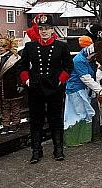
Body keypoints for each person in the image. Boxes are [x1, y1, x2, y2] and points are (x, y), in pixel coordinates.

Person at [18, 14, 73, 164]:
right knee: (36, 120)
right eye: (41, 29)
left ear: (52, 30)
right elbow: (22, 66)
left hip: (55, 87)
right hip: (36, 88)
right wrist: (27, 80)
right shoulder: (30, 46)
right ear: (38, 30)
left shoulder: (61, 46)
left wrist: (61, 80)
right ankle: (36, 150)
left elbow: (69, 66)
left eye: (47, 28)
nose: (44, 31)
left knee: (56, 118)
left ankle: (58, 149)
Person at [64, 42, 102, 146]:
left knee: (85, 114)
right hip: (75, 91)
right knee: (77, 115)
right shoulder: (79, 60)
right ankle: (74, 139)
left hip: (83, 90)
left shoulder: (87, 59)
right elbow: (86, 78)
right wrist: (100, 90)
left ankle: (84, 137)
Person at [0, 34, 23, 134]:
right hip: (1, 86)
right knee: (4, 107)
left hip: (13, 85)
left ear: (8, 46)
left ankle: (16, 123)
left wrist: (20, 84)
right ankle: (6, 125)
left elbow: (19, 72)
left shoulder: (15, 58)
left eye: (3, 46)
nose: (0, 49)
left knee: (15, 106)